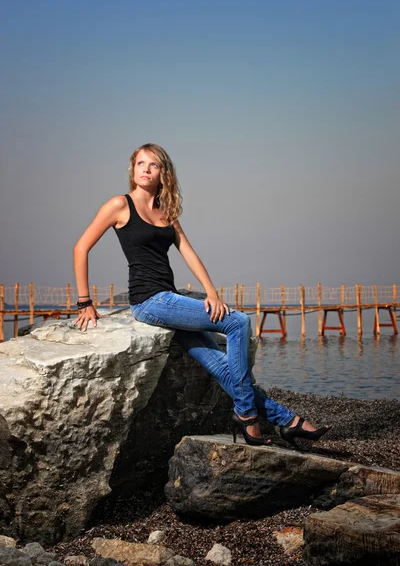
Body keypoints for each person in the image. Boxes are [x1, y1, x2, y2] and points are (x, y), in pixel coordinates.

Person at [73, 143, 330, 449]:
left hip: (169, 299)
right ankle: (247, 417)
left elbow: (188, 253)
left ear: (163, 173)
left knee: (222, 367)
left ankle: (288, 421)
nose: (145, 169)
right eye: (140, 163)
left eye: (152, 165)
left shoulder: (166, 211)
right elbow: (81, 247)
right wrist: (84, 302)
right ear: (133, 169)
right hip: (149, 301)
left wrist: (211, 293)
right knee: (237, 322)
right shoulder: (119, 205)